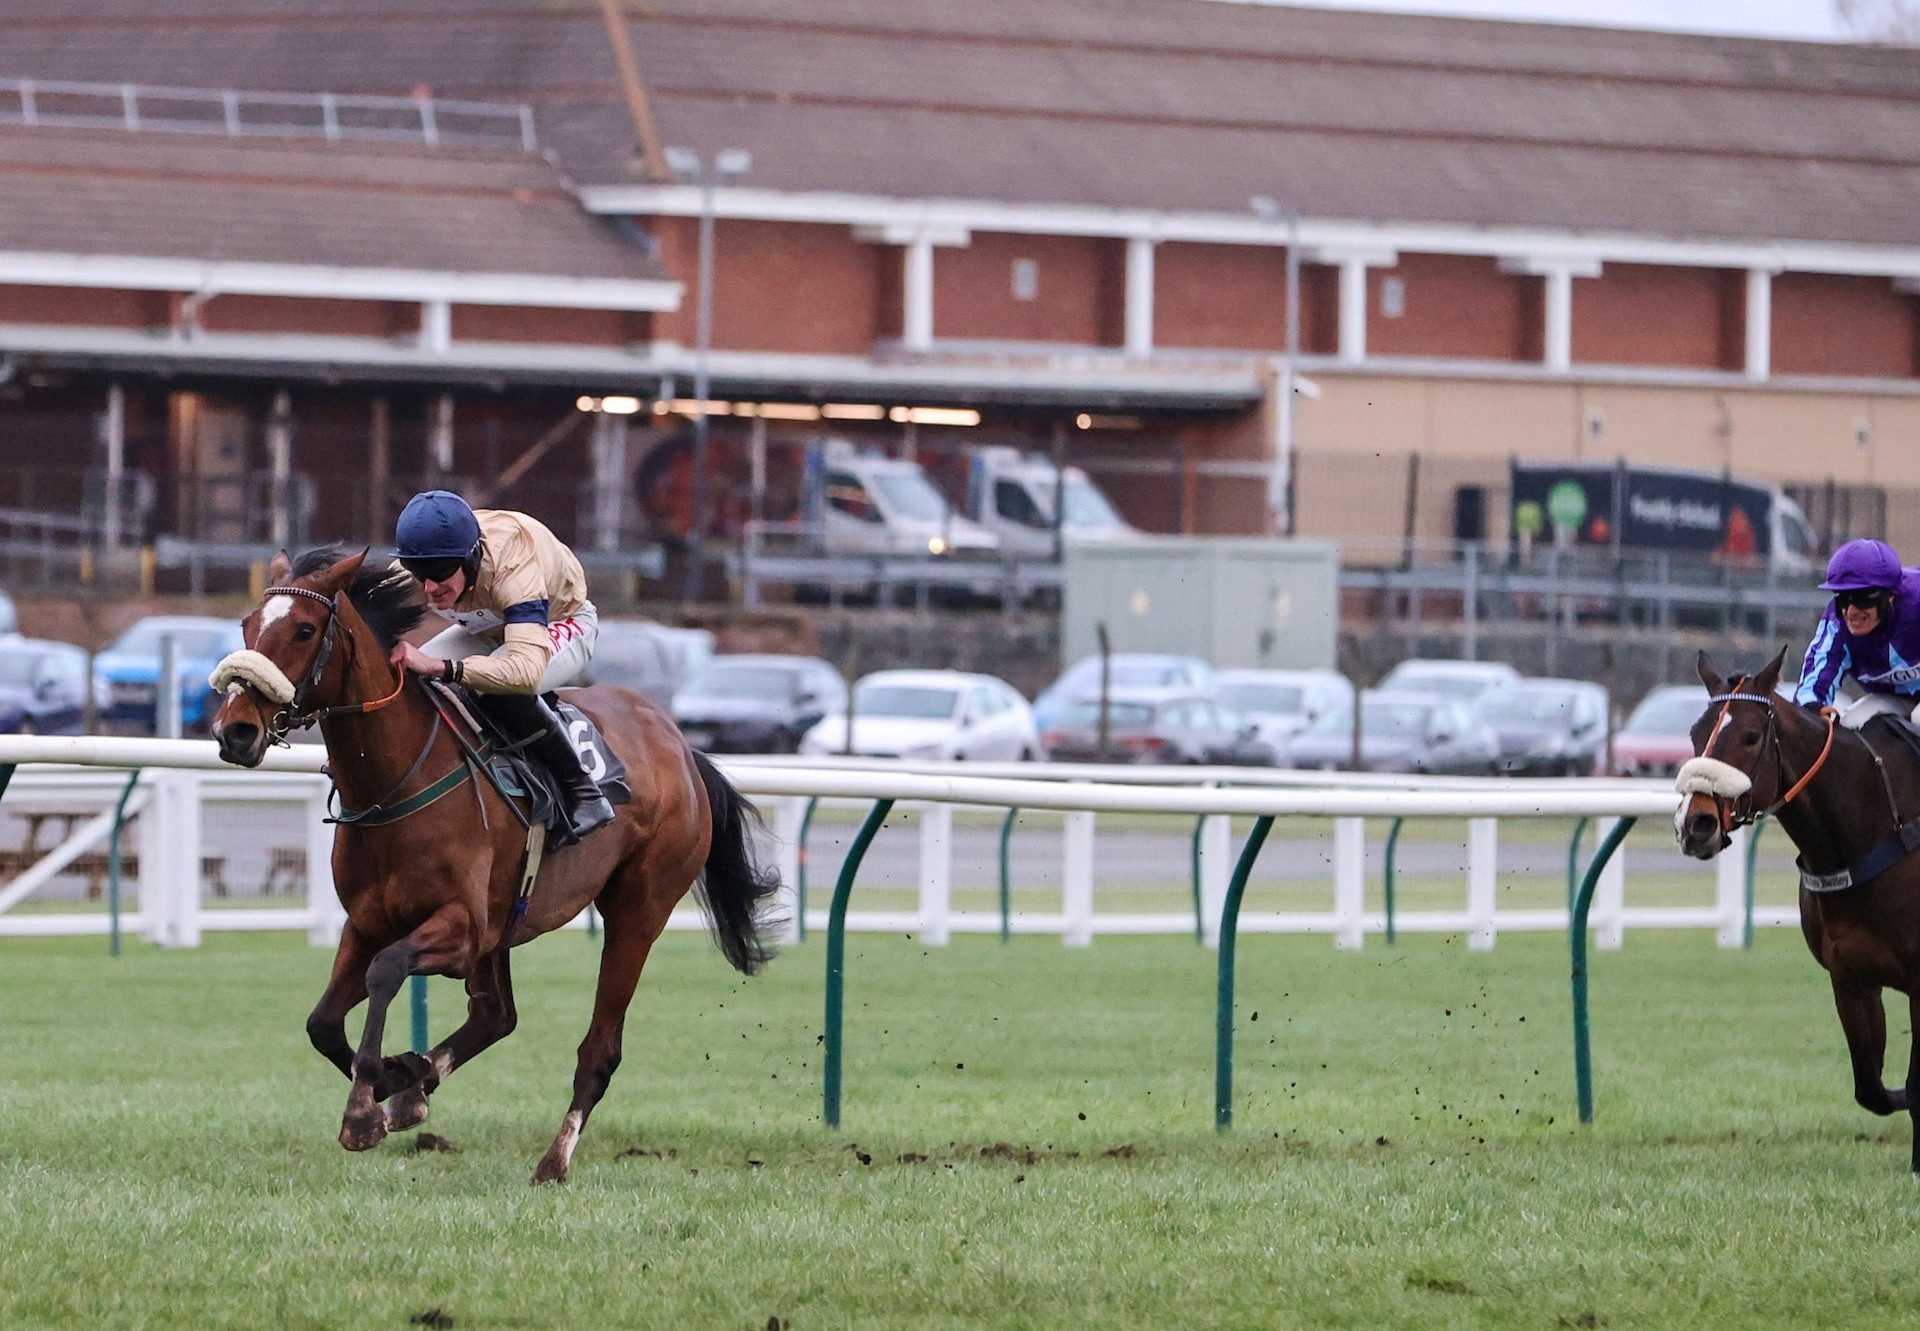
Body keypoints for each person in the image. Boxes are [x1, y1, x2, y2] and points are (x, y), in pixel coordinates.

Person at [389, 489, 614, 840]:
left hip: (559, 620)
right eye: (418, 572)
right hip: (489, 625)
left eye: (439, 572)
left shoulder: (512, 567)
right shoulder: (432, 555)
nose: (429, 586)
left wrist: (444, 667)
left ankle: (583, 791)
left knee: (490, 684)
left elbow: (524, 671)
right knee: (409, 677)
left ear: (471, 557)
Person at [1794, 537, 1920, 719]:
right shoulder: (1837, 624)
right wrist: (1811, 708)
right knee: (1850, 723)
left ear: (1891, 595)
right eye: (1843, 598)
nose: (1851, 611)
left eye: (1862, 598)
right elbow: (1816, 681)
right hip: (1892, 698)